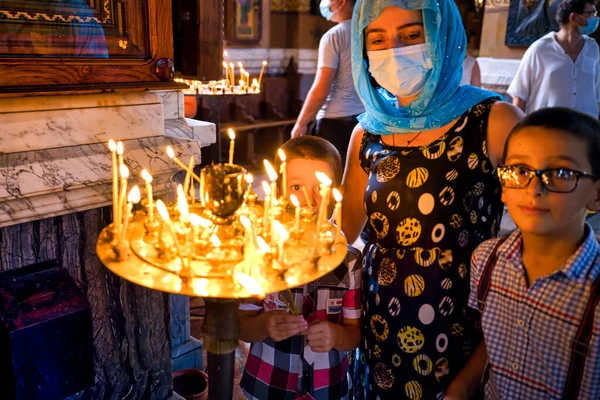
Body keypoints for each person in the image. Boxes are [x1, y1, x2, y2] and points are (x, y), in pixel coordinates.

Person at [341, 0, 523, 398]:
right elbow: (340, 232)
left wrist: (468, 380)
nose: (393, 51)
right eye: (377, 39)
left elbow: (536, 244)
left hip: (459, 321)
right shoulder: (367, 133)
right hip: (378, 318)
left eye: (411, 35)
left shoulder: (492, 120)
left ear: (442, 36)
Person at [468, 107, 600, 399]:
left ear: (597, 194)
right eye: (520, 170)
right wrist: (461, 388)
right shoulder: (486, 260)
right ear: (502, 185)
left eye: (561, 173)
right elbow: (492, 340)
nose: (535, 188)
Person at [239, 136, 362, 400]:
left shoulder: (349, 260)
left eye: (321, 187)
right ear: (277, 192)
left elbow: (354, 335)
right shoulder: (260, 254)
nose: (310, 199)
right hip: (268, 384)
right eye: (296, 186)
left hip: (327, 388)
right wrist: (266, 324)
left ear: (336, 192)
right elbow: (241, 327)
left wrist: (336, 335)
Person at [290, 0, 364, 167]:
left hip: (335, 122)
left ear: (341, 2)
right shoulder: (369, 33)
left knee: (330, 182)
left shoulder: (334, 36)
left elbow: (321, 90)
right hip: (365, 121)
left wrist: (301, 123)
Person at [507, 0, 600, 117]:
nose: (595, 18)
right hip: (546, 127)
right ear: (574, 17)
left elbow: (596, 94)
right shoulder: (540, 49)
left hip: (584, 129)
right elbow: (520, 96)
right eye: (591, 13)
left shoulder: (593, 48)